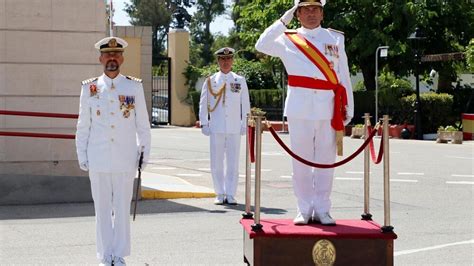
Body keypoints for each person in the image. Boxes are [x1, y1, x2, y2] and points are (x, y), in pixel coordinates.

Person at [255, 0, 354, 225]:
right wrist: (283, 20)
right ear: (297, 13)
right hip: (300, 108)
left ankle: (322, 209)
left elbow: (343, 74)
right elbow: (261, 44)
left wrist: (349, 107)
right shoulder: (286, 38)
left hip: (328, 108)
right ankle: (303, 208)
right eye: (305, 9)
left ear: (322, 12)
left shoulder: (335, 39)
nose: (311, 13)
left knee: (326, 161)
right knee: (300, 161)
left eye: (315, 9)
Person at [75, 36, 151, 266]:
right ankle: (104, 255)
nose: (112, 58)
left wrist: (143, 154)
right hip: (98, 157)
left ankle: (118, 255)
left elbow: (143, 125)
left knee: (121, 208)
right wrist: (82, 154)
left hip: (125, 158)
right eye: (108, 55)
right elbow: (83, 125)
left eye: (116, 55)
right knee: (102, 209)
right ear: (100, 58)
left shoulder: (133, 86)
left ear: (122, 59)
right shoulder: (89, 88)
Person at [199, 47, 251, 205]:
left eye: (228, 59)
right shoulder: (211, 81)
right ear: (218, 61)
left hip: (235, 127)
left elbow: (245, 103)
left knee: (233, 162)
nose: (226, 62)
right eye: (222, 59)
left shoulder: (239, 80)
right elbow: (203, 103)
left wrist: (245, 123)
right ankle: (219, 193)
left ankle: (230, 193)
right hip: (217, 126)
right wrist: (204, 123)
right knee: (216, 161)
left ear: (232, 60)